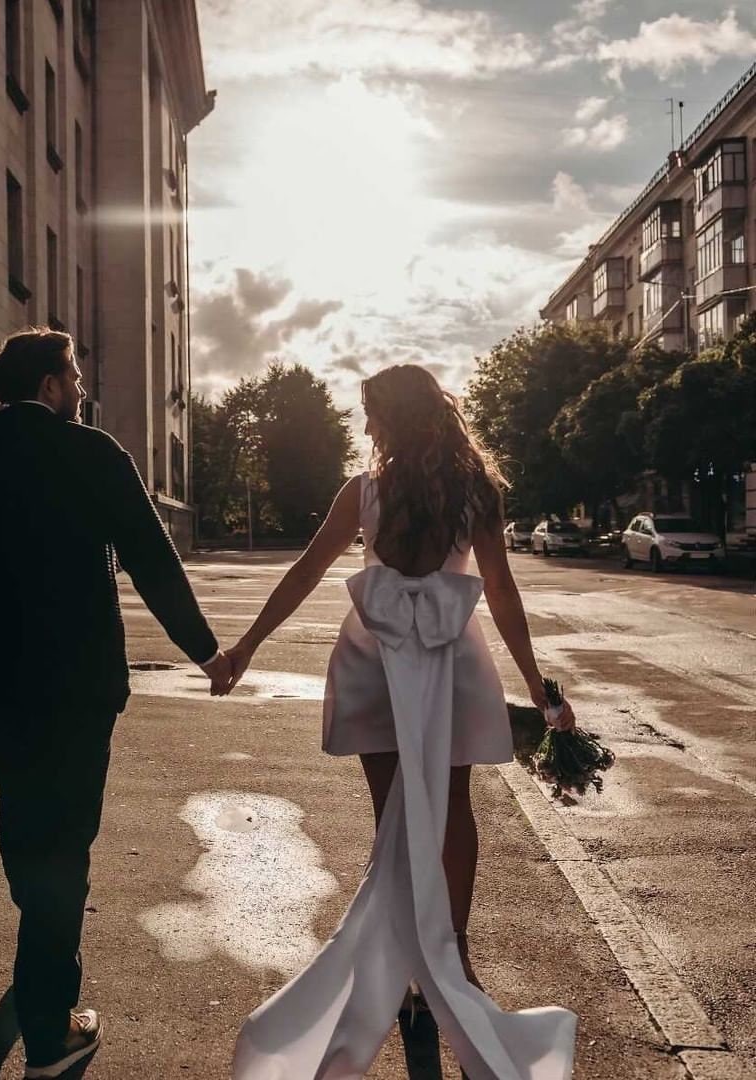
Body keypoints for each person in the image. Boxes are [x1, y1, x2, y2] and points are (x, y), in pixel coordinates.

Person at [222, 364, 578, 1079]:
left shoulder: (364, 494)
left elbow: (304, 570)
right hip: (452, 664)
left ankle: (417, 972)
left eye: (371, 414)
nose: (366, 426)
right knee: (450, 813)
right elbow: (502, 593)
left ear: (393, 418)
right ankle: (450, 956)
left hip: (373, 665)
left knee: (394, 820)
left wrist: (245, 647)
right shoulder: (476, 493)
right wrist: (540, 687)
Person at [0, 327, 232, 1079]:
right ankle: (52, 1034)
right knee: (66, 840)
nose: (82, 388)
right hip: (80, 685)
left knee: (27, 813)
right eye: (76, 377)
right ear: (52, 386)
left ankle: (41, 963)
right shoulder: (93, 454)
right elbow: (154, 561)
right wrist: (206, 651)